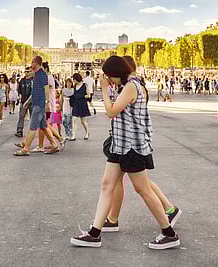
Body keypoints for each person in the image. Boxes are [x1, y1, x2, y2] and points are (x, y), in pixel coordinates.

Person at [70, 55, 180, 250]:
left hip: (131, 146)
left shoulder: (131, 87)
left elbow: (111, 111)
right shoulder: (125, 86)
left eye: (108, 76)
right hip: (119, 144)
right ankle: (95, 233)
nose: (107, 80)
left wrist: (103, 90)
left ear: (114, 74)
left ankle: (169, 233)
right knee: (107, 185)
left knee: (142, 189)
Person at [14, 56, 60, 155]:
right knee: (43, 126)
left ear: (36, 63)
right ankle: (54, 144)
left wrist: (47, 102)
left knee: (33, 126)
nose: (31, 64)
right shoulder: (37, 75)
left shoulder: (42, 75)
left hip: (39, 104)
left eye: (32, 62)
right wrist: (28, 101)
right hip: (37, 103)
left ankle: (26, 148)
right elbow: (36, 90)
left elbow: (46, 88)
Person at [71, 72, 92, 140]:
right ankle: (73, 135)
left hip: (82, 103)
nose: (73, 81)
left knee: (83, 121)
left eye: (74, 79)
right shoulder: (74, 86)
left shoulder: (84, 85)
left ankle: (87, 132)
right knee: (74, 119)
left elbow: (88, 95)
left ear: (77, 79)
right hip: (76, 104)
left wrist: (81, 96)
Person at [15, 69, 33, 138]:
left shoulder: (32, 81)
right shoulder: (22, 81)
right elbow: (19, 90)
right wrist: (19, 96)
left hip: (31, 101)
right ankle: (19, 130)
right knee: (21, 116)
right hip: (23, 101)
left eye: (28, 71)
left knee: (32, 117)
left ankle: (32, 131)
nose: (27, 73)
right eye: (26, 72)